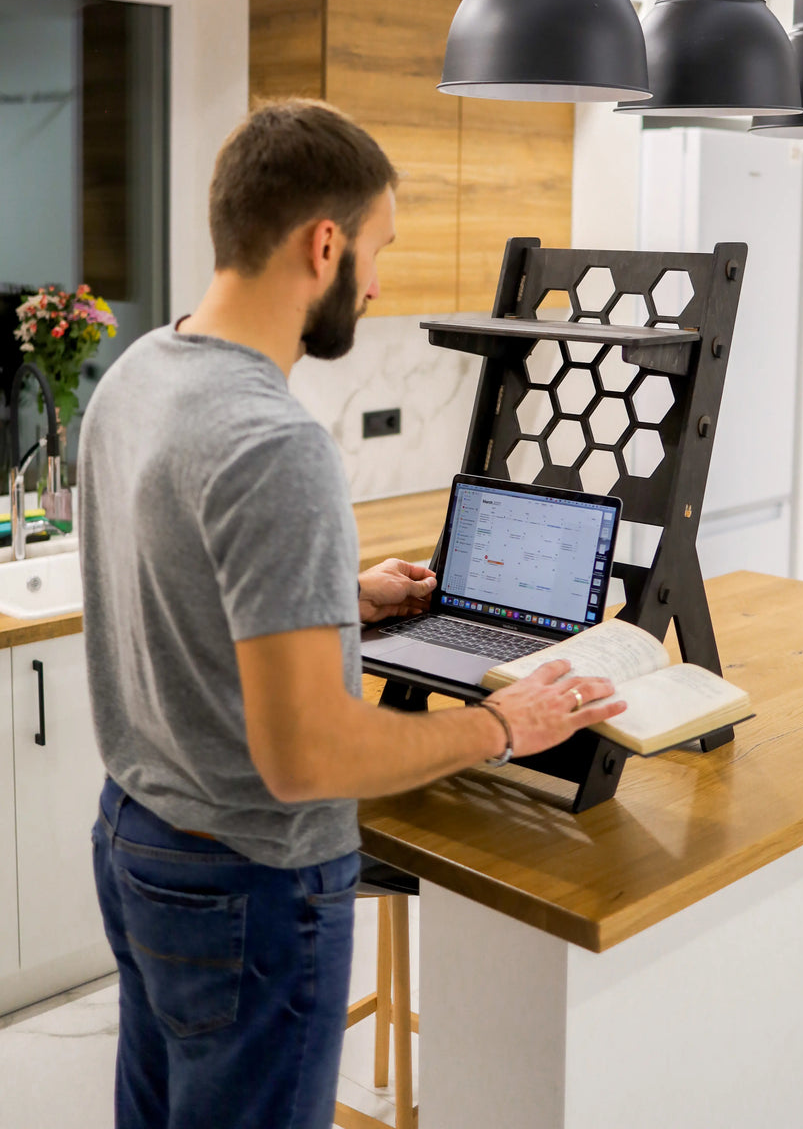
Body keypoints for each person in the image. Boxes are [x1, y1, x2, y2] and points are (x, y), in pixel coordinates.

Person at [80, 99, 625, 1129]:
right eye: (376, 250)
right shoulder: (274, 442)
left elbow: (174, 583)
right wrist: (508, 725)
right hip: (253, 884)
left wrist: (333, 598)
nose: (375, 282)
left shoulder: (139, 375)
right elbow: (308, 759)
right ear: (321, 242)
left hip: (139, 840)